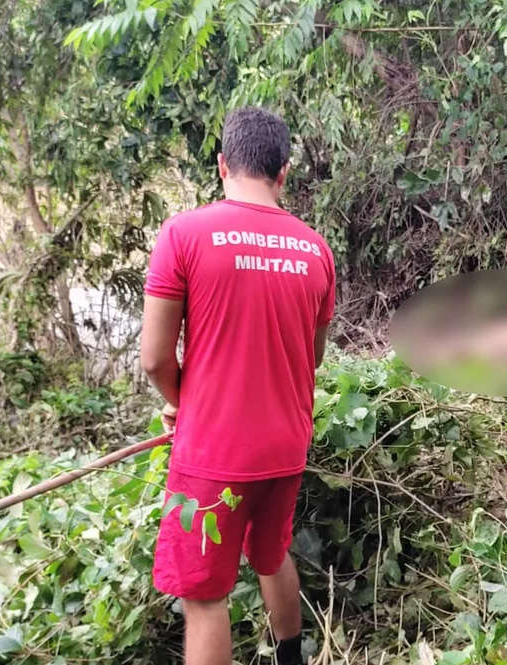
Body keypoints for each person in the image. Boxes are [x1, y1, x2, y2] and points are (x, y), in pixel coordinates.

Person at [140, 107, 336, 665]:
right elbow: (311, 357)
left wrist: (186, 406)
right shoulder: (315, 249)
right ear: (284, 172)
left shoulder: (184, 234)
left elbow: (155, 360)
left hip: (216, 453)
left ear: (223, 164)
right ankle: (291, 658)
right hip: (286, 446)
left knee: (203, 597)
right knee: (271, 553)